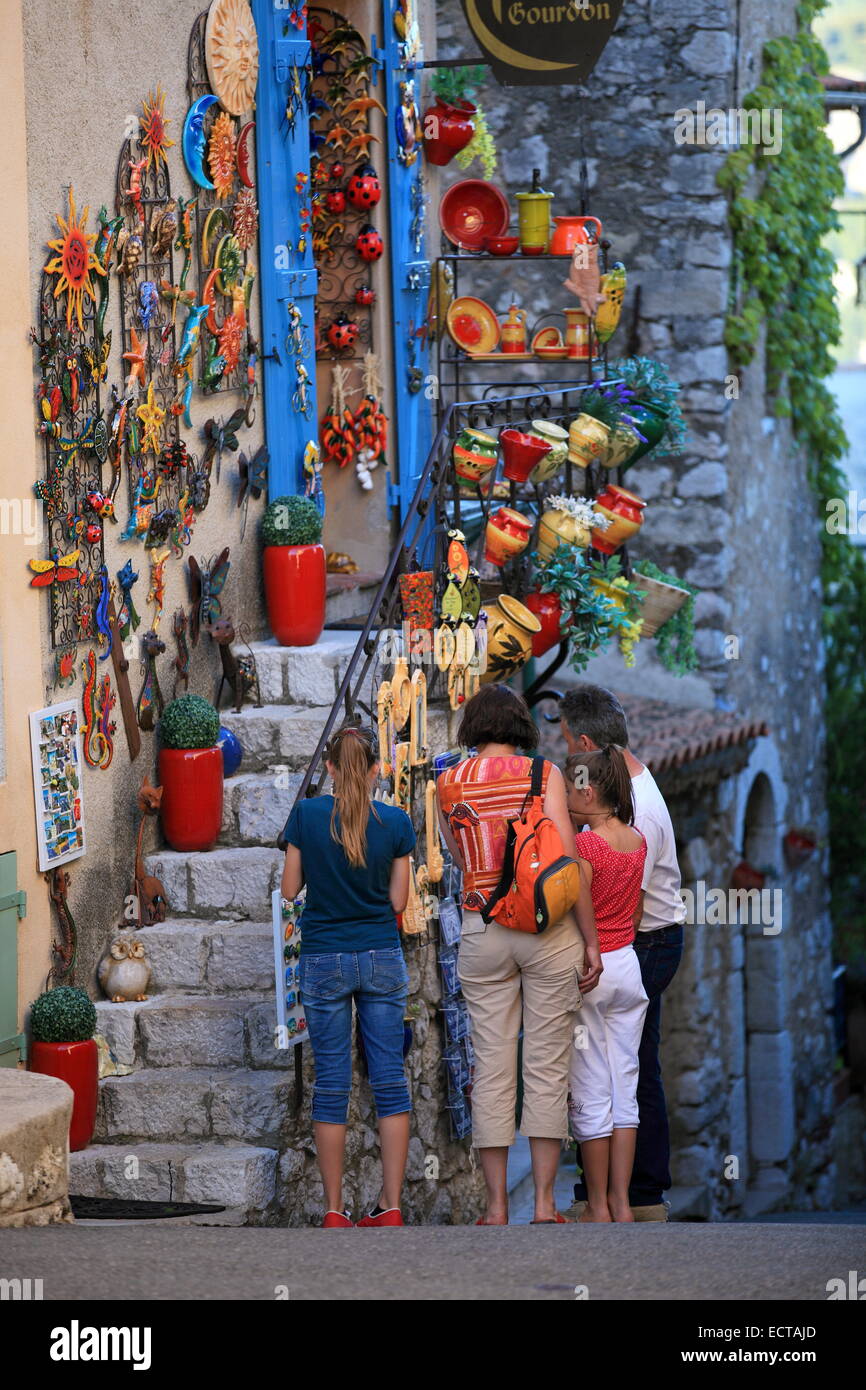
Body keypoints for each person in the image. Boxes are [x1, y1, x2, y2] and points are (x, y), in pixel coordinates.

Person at [436, 684, 602, 1226]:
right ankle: (547, 1205)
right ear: (520, 726)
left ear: (473, 727)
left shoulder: (445, 782)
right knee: (547, 1064)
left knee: (490, 1065)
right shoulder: (542, 774)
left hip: (482, 927)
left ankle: (496, 1206)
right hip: (544, 928)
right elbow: (569, 861)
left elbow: (459, 860)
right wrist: (593, 942)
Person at [281, 723, 415, 1228]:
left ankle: (334, 1210)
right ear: (378, 769)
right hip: (381, 953)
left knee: (332, 1084)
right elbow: (398, 902)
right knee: (390, 1081)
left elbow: (291, 890)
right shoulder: (397, 822)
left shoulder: (308, 815)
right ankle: (391, 1206)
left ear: (330, 768)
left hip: (323, 960)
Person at [560, 684, 686, 1220]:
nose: (566, 756)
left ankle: (633, 1194)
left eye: (567, 745)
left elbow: (610, 902)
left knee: (617, 1072)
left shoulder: (634, 822)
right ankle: (625, 1197)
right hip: (633, 946)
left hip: (636, 946)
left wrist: (589, 944)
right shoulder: (628, 810)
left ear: (587, 746)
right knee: (629, 1072)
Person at [564, 748, 649, 1222]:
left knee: (590, 1088)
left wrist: (592, 946)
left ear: (589, 792)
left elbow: (579, 908)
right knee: (626, 1086)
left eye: (573, 788)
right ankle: (623, 1201)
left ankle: (597, 1204)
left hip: (593, 970)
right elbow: (635, 912)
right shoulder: (636, 840)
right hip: (629, 967)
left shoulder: (585, 846)